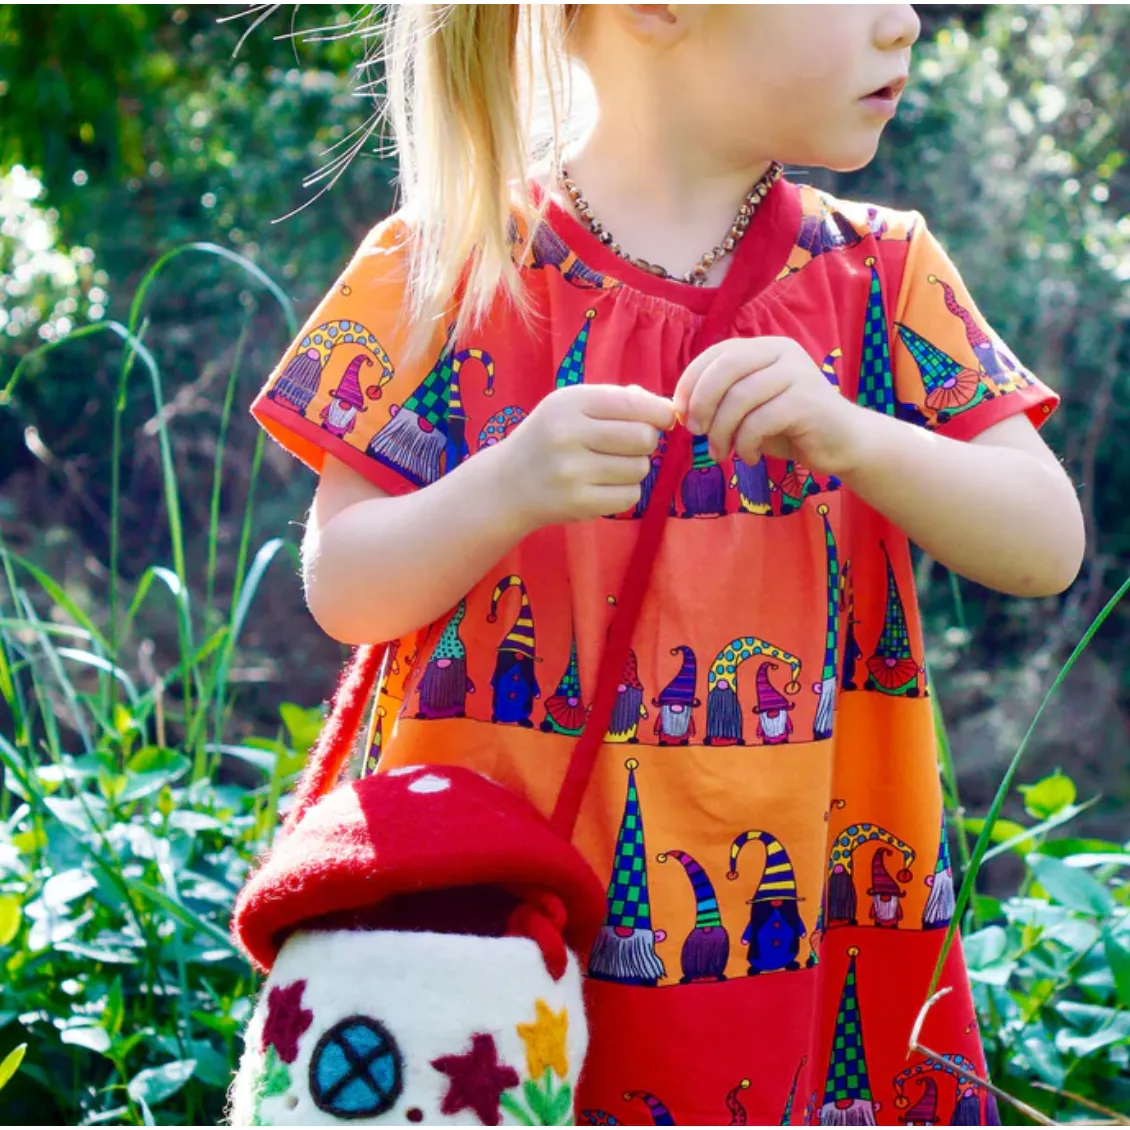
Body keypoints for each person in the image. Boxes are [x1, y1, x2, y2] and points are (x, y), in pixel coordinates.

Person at [247, 5, 1084, 1124]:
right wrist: (502, 485)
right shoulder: (446, 264)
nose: (906, 21)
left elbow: (1044, 542)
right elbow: (344, 586)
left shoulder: (879, 273)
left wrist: (855, 434)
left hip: (809, 932)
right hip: (499, 933)